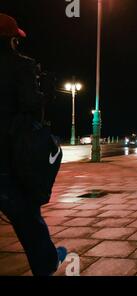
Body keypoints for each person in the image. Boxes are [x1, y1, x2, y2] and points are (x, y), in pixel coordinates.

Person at [0, 13, 66, 275]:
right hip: (10, 154)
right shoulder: (20, 65)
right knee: (27, 216)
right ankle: (47, 262)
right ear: (12, 40)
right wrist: (45, 92)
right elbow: (30, 106)